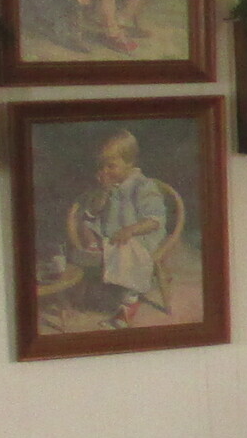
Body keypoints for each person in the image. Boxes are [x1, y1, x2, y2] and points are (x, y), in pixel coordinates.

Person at [65, 131, 179, 327]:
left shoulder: (143, 186)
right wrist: (104, 191)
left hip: (140, 237)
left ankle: (129, 303)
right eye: (102, 166)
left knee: (127, 251)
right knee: (86, 223)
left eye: (111, 166)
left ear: (130, 163)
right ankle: (93, 249)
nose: (105, 171)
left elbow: (155, 220)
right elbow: (95, 211)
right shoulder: (109, 185)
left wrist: (131, 230)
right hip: (110, 232)